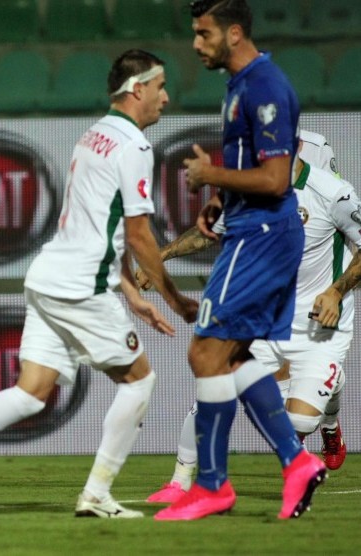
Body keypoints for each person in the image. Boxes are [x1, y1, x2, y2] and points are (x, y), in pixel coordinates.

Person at [0, 49, 198, 520]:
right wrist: (176, 299)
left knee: (31, 392)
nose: (166, 97)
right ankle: (96, 494)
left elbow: (94, 225)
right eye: (160, 88)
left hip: (48, 275)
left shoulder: (93, 135)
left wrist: (133, 294)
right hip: (79, 287)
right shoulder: (135, 146)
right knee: (140, 379)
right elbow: (137, 234)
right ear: (139, 88)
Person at [153, 0, 326, 521]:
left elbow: (276, 180)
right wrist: (220, 200)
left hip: (262, 236)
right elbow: (254, 165)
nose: (195, 43)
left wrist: (212, 178)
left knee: (205, 354)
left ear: (232, 33)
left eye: (203, 33)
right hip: (254, 228)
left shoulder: (265, 86)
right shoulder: (239, 86)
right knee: (229, 357)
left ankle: (212, 485)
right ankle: (296, 464)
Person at [142, 132, 354, 504]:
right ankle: (178, 482)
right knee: (211, 387)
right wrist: (161, 256)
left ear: (297, 147)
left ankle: (329, 421)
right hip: (265, 317)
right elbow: (210, 233)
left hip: (320, 324)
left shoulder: (332, 192)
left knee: (300, 423)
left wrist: (337, 290)